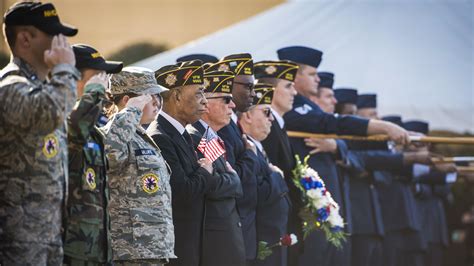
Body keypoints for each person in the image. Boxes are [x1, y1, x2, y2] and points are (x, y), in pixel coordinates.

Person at [0, 2, 79, 265]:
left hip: (47, 234)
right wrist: (65, 69)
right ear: (25, 38)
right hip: (16, 240)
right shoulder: (10, 86)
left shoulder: (44, 88)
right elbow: (49, 114)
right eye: (53, 35)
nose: (63, 43)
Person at [102, 67, 174, 265]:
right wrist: (131, 111)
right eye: (149, 96)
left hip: (152, 247)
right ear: (127, 99)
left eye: (158, 96)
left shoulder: (141, 136)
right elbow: (110, 154)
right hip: (130, 248)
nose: (157, 103)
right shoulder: (114, 133)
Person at [148, 60, 216, 266]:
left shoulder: (180, 132)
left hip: (190, 245)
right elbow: (181, 191)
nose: (205, 101)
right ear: (177, 96)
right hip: (177, 249)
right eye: (199, 93)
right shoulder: (160, 136)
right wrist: (206, 171)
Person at [62, 44, 123, 265]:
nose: (105, 83)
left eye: (105, 77)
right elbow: (74, 131)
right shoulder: (57, 120)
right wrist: (93, 93)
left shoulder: (95, 132)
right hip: (71, 250)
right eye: (98, 75)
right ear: (74, 78)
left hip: (98, 249)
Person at [188, 69, 246, 266]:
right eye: (226, 99)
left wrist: (232, 180)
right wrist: (234, 179)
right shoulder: (196, 135)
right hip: (213, 241)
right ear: (206, 103)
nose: (233, 105)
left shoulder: (210, 135)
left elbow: (227, 181)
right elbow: (214, 185)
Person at [206, 53, 260, 262]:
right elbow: (232, 181)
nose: (253, 94)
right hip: (225, 232)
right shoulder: (219, 129)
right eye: (247, 87)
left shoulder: (226, 126)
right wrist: (249, 154)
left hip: (240, 230)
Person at [239, 84, 290, 266]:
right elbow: (255, 190)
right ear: (247, 115)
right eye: (266, 112)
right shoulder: (245, 147)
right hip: (262, 239)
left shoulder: (257, 147)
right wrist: (277, 176)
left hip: (272, 237)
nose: (271, 119)